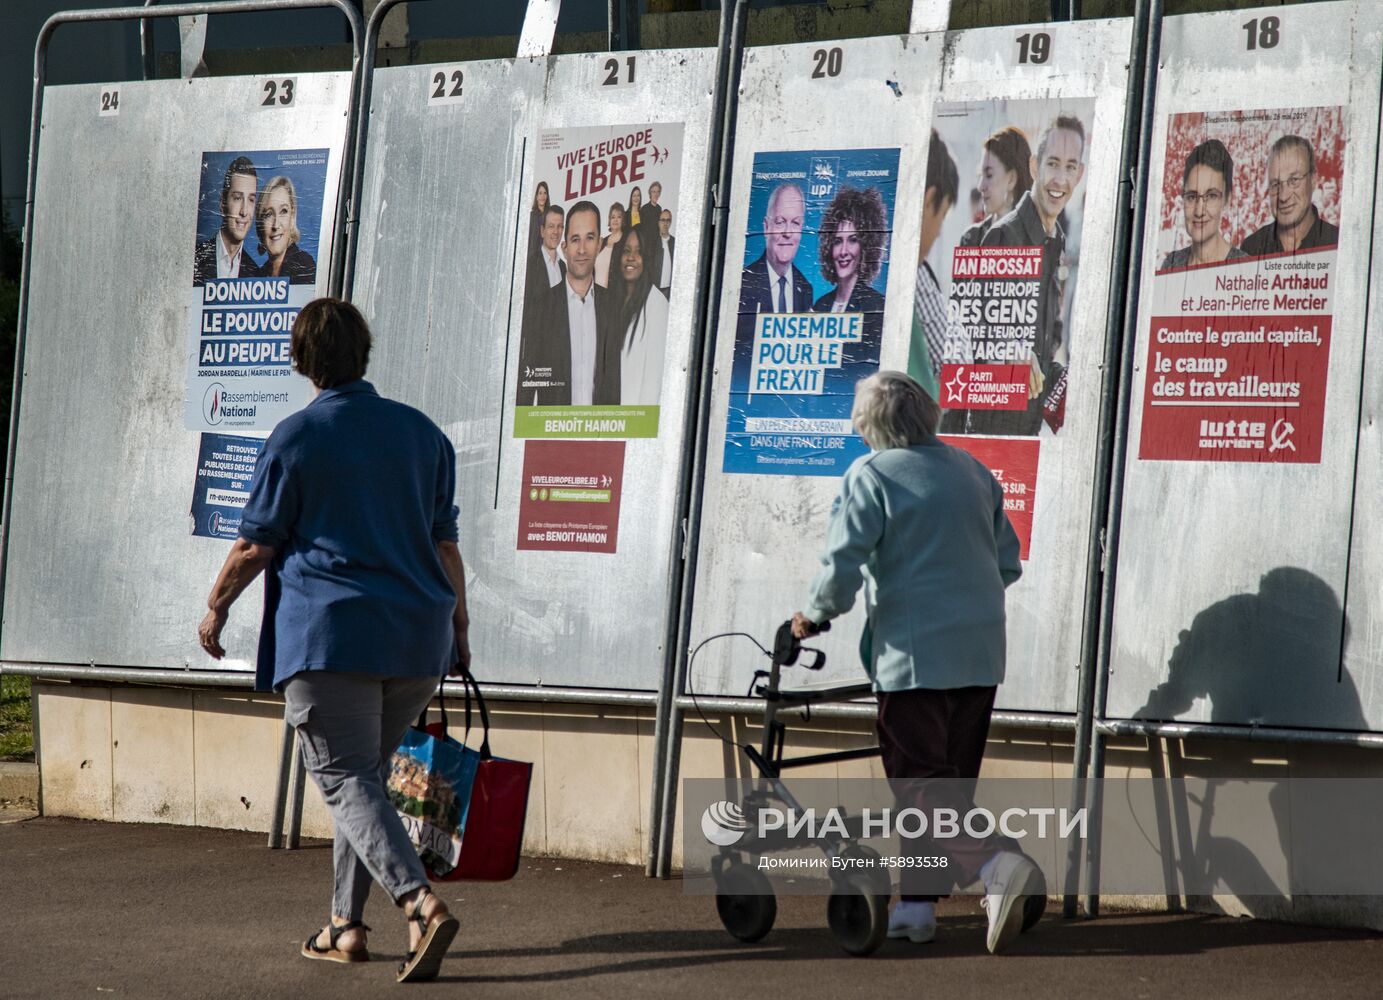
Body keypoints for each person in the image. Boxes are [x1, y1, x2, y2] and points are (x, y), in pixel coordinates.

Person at [197, 298, 467, 983]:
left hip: (332, 639)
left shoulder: (296, 437)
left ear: (300, 361)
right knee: (364, 783)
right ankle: (345, 926)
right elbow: (445, 546)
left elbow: (256, 543)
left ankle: (418, 905)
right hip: (416, 640)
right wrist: (459, 630)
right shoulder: (424, 435)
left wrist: (215, 609)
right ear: (364, 354)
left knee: (345, 779)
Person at [789, 370, 1038, 955]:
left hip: (915, 656)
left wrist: (813, 616)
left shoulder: (871, 475)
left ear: (868, 425)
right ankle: (917, 907)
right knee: (947, 787)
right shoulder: (971, 470)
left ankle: (996, 864)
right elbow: (1007, 562)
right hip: (979, 652)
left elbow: (842, 562)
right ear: (925, 415)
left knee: (921, 787)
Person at [944, 115, 1086, 436]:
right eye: (1053, 164)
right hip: (992, 425)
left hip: (1028, 425)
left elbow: (1047, 337)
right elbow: (969, 327)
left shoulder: (1056, 238)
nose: (1060, 179)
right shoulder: (1003, 234)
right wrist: (1007, 347)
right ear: (1034, 168)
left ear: (1080, 174)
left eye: (1070, 167)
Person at [517, 200, 621, 406]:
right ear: (564, 247)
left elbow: (615, 383)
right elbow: (525, 388)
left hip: (600, 434)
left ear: (599, 244)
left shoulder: (613, 305)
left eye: (589, 238)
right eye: (575, 239)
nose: (582, 249)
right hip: (553, 434)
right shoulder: (541, 308)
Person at [909, 129, 960, 401]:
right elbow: (956, 364)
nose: (939, 232)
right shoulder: (914, 275)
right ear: (929, 200)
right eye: (941, 216)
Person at [1240, 135, 1339, 257]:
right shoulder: (1251, 248)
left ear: (1313, 180)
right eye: (1275, 184)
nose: (1283, 196)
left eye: (1294, 180)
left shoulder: (1337, 244)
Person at [1160, 139, 1250, 270]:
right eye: (1191, 197)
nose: (1199, 211)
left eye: (1211, 196)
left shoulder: (1244, 267)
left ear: (1226, 200)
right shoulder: (1171, 264)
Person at [609, 227, 669, 405]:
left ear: (648, 258)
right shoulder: (611, 301)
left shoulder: (657, 305)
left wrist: (639, 429)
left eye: (639, 252)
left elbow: (654, 381)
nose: (631, 258)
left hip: (634, 422)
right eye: (626, 251)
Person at [812, 187, 887, 322]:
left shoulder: (876, 306)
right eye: (837, 241)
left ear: (866, 246)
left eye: (853, 240)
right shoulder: (821, 305)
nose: (843, 251)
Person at [740, 182, 814, 314]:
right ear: (766, 227)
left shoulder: (805, 289)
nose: (788, 233)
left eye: (795, 223)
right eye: (780, 222)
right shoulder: (744, 283)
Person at [961, 126, 1033, 248]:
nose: (980, 186)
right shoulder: (971, 239)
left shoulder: (1035, 242)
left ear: (1011, 179)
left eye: (989, 175)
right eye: (980, 175)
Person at [193, 155, 260, 285]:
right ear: (223, 204)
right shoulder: (196, 258)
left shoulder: (256, 273)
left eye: (251, 200)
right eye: (237, 198)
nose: (244, 211)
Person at [255, 175, 317, 284]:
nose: (276, 225)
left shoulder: (303, 264)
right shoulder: (259, 274)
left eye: (283, 211)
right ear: (260, 222)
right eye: (268, 214)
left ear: (292, 217)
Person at [528, 203, 566, 301]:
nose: (556, 232)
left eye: (559, 226)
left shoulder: (563, 267)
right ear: (542, 231)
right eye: (551, 226)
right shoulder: (530, 264)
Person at [594, 201, 626, 288]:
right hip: (597, 294)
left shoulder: (626, 242)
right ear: (609, 219)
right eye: (613, 217)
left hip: (614, 296)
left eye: (619, 217)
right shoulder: (603, 241)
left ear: (622, 219)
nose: (615, 220)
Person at [528, 181, 551, 263]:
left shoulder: (550, 216)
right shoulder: (531, 216)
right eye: (540, 193)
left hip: (546, 259)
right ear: (537, 197)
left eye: (545, 193)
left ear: (547, 196)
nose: (542, 196)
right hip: (532, 257)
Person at [637, 180, 664, 249]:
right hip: (646, 245)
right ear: (650, 193)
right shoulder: (644, 209)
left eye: (658, 192)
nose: (656, 194)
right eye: (654, 192)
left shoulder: (659, 209)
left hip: (656, 244)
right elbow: (640, 230)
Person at [654, 208, 675, 298]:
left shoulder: (675, 242)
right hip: (654, 289)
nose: (665, 223)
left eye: (668, 220)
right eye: (663, 220)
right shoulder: (653, 243)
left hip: (669, 290)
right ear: (658, 223)